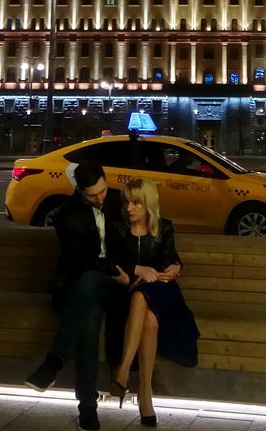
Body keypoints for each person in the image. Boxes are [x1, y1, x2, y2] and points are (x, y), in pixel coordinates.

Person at [25, 161, 129, 431]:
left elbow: (136, 242)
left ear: (107, 180)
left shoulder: (121, 201)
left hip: (119, 284)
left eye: (103, 191)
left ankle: (54, 362)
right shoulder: (66, 215)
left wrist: (125, 270)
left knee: (90, 289)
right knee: (90, 315)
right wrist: (112, 269)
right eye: (92, 195)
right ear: (79, 191)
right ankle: (87, 407)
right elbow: (80, 261)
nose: (100, 198)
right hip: (83, 284)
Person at [109, 178, 199, 428]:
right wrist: (137, 270)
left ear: (148, 203)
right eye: (126, 202)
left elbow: (172, 258)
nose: (129, 208)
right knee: (147, 315)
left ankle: (124, 371)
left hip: (162, 292)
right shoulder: (118, 228)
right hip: (126, 294)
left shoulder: (165, 228)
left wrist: (175, 268)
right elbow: (111, 261)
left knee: (144, 297)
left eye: (136, 202)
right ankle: (145, 396)